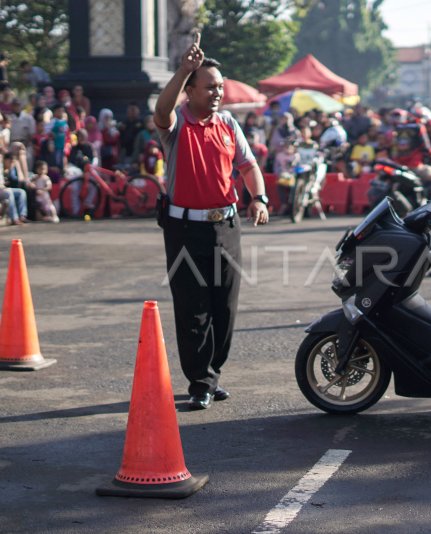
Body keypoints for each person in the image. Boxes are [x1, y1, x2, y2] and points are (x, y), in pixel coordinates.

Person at [153, 34, 269, 410]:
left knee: (225, 308)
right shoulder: (175, 125)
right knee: (193, 308)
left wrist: (259, 198)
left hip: (227, 227)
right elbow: (161, 109)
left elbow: (248, 165)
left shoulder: (229, 124)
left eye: (220, 87)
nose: (217, 93)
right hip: (185, 229)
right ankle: (200, 381)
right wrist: (184, 68)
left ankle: (212, 372)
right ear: (190, 90)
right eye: (209, 87)